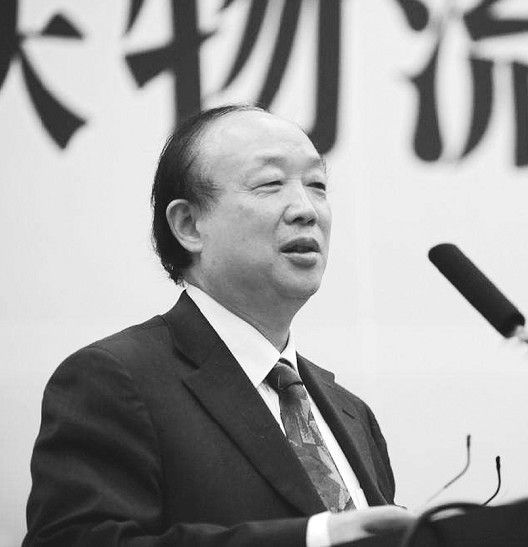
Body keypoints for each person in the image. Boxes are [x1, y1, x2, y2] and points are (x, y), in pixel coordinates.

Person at [24, 105, 413, 546]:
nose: (307, 210)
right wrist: (314, 538)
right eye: (270, 184)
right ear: (189, 225)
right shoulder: (114, 380)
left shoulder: (351, 413)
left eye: (317, 185)